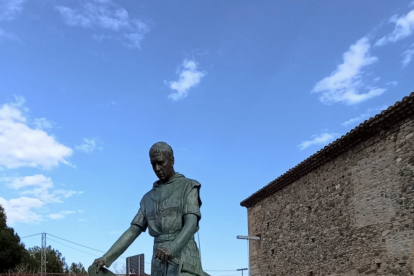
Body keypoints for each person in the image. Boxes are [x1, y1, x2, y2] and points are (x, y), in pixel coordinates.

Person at [89, 142, 209, 276]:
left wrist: (172, 249)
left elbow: (191, 224)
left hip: (184, 257)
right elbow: (133, 230)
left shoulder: (189, 186)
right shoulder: (148, 198)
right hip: (158, 261)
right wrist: (106, 258)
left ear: (172, 160)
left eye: (161, 162)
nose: (157, 168)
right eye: (153, 164)